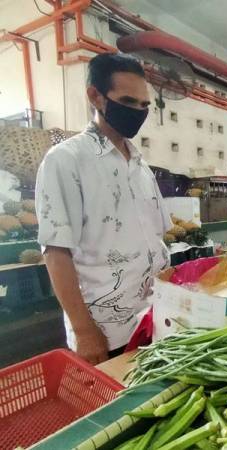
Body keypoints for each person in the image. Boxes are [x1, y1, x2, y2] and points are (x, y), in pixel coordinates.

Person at [35, 53, 171, 364]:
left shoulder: (140, 166)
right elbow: (56, 251)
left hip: (153, 319)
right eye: (128, 101)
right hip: (106, 333)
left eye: (144, 105)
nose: (137, 112)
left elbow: (156, 239)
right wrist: (85, 332)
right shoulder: (66, 160)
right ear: (95, 96)